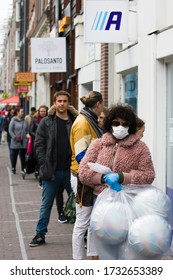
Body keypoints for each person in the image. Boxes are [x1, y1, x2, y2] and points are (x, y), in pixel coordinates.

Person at [78, 103, 155, 259]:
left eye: (125, 124)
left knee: (125, 247)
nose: (120, 127)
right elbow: (83, 172)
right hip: (101, 202)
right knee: (100, 246)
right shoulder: (98, 144)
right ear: (109, 124)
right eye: (116, 123)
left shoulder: (140, 147)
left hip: (129, 203)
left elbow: (148, 175)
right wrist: (101, 178)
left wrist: (122, 177)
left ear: (131, 126)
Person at [29, 90, 76, 247]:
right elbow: (39, 143)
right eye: (59, 101)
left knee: (79, 203)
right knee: (46, 204)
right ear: (55, 103)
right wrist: (44, 163)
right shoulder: (47, 121)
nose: (62, 104)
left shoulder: (75, 121)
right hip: (52, 171)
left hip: (71, 171)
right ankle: (40, 234)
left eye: (64, 101)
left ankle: (84, 234)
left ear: (68, 103)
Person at [70, 90, 104, 260]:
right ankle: (77, 261)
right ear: (98, 104)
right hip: (82, 177)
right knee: (82, 223)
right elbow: (81, 155)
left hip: (90, 176)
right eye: (102, 104)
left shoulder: (89, 120)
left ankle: (93, 258)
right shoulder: (83, 123)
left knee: (92, 223)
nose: (103, 108)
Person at [29, 105, 48, 187]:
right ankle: (41, 180)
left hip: (47, 144)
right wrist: (38, 135)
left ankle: (43, 178)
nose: (43, 113)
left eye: (44, 111)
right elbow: (30, 131)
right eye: (41, 111)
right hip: (37, 144)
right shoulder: (35, 120)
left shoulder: (49, 119)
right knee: (40, 161)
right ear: (39, 112)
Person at [8, 108, 29, 174]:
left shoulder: (24, 121)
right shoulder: (13, 120)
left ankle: (23, 169)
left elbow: (27, 130)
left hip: (23, 141)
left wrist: (27, 136)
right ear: (17, 112)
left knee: (23, 156)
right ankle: (13, 168)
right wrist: (15, 137)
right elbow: (10, 130)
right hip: (15, 141)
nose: (23, 113)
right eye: (21, 112)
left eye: (23, 112)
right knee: (14, 156)